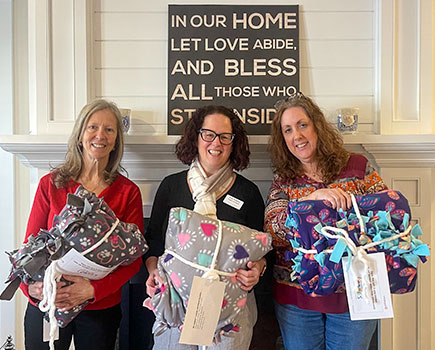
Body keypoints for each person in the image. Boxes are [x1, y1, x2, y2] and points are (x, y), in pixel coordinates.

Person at [264, 92, 387, 350]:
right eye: (287, 130)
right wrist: (312, 199)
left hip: (356, 292)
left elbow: (386, 220)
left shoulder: (357, 167)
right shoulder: (283, 179)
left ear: (317, 126)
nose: (296, 136)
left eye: (302, 125)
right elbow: (272, 232)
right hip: (297, 297)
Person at [21, 99, 144, 350]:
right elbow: (30, 246)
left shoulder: (128, 192)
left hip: (99, 307)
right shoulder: (51, 184)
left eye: (109, 130)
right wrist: (29, 288)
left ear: (116, 140)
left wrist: (92, 290)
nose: (100, 135)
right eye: (93, 127)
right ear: (80, 135)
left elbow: (134, 261)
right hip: (48, 302)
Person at [145, 105, 266, 350]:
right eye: (208, 134)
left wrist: (258, 270)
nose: (216, 143)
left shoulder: (248, 192)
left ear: (234, 143)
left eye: (225, 136)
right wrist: (153, 271)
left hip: (232, 303)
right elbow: (154, 244)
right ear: (196, 137)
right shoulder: (171, 187)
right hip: (177, 300)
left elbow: (262, 251)